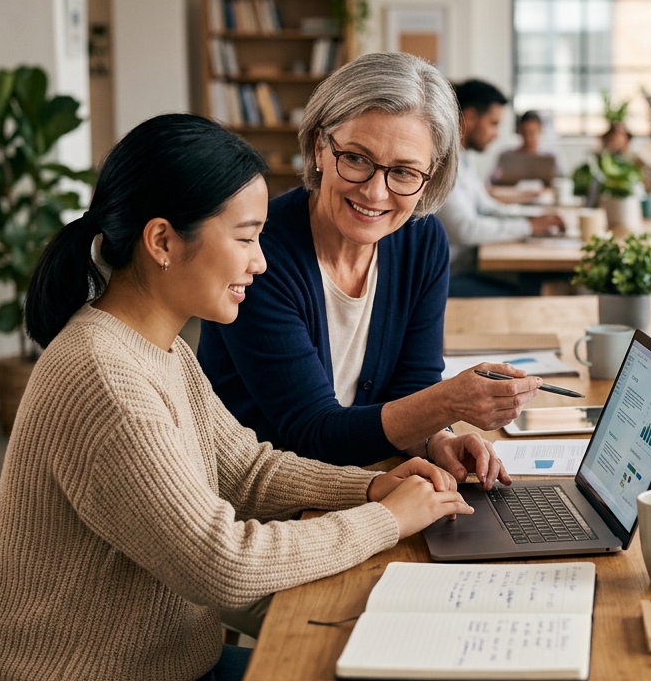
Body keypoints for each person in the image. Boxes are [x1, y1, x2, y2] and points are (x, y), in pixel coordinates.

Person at [0, 113, 475, 681]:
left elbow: (246, 469)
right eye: (245, 238)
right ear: (162, 242)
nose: (260, 262)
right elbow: (223, 565)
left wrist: (369, 487)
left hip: (170, 668)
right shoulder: (105, 380)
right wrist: (387, 519)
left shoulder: (159, 348)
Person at [198, 54, 539, 477]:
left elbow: (412, 384)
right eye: (357, 159)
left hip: (359, 478)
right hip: (263, 493)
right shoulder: (259, 254)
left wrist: (438, 439)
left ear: (431, 176)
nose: (376, 193)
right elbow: (312, 433)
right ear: (320, 147)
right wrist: (448, 403)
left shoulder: (421, 240)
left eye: (404, 172)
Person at [436, 79, 565, 296]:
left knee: (533, 282)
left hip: (467, 265)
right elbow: (466, 229)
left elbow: (486, 206)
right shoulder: (442, 163)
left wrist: (533, 218)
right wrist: (529, 226)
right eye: (493, 123)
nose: (496, 134)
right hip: (448, 277)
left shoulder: (464, 158)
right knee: (528, 292)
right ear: (470, 116)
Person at [491, 110, 562, 185]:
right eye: (525, 132)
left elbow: (563, 180)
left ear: (540, 131)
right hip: (512, 192)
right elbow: (492, 181)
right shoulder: (506, 156)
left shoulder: (552, 155)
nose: (528, 138)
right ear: (520, 131)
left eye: (532, 132)